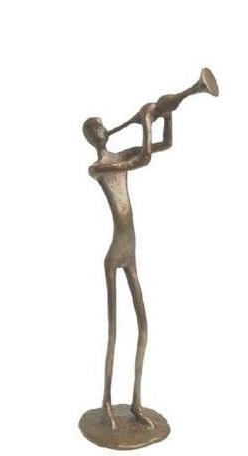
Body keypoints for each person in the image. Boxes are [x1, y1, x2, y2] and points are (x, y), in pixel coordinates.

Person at [83, 103, 173, 429]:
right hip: (115, 255)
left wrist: (166, 114)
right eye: (96, 128)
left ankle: (135, 404)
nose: (102, 130)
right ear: (93, 138)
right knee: (114, 332)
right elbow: (144, 156)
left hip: (131, 251)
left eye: (101, 125)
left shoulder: (119, 157)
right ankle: (107, 403)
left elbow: (164, 145)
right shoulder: (99, 167)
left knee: (144, 327)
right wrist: (146, 120)